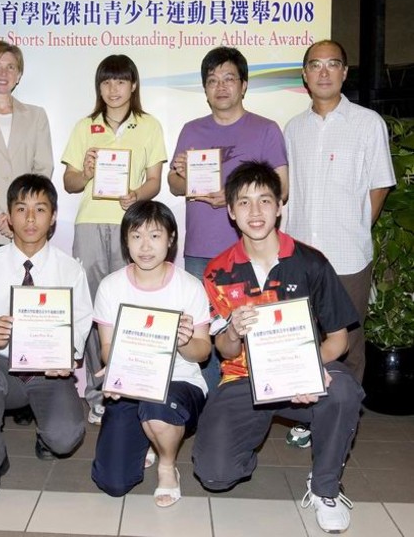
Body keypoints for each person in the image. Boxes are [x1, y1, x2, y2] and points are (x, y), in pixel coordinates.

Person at [192, 161, 364, 534]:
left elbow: (339, 340)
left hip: (302, 374)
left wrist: (306, 368)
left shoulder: (311, 262)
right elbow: (222, 349)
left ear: (280, 206)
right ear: (232, 213)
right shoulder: (218, 271)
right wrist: (234, 330)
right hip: (242, 380)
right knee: (214, 474)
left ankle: (325, 488)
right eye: (245, 203)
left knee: (345, 390)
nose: (255, 212)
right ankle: (250, 434)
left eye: (265, 201)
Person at [0, 174, 93, 497]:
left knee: (64, 438)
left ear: (54, 216)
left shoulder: (70, 270)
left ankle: (46, 430)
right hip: (4, 369)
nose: (30, 219)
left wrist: (68, 357)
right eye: (21, 209)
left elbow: (81, 324)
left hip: (51, 374)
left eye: (40, 209)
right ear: (8, 214)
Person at [167, 46, 288, 389]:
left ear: (244, 85)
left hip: (253, 252)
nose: (221, 87)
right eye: (212, 80)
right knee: (205, 329)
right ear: (205, 89)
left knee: (253, 326)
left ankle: (258, 395)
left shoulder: (266, 129)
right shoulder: (192, 130)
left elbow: (282, 186)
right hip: (200, 251)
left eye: (229, 78)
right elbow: (175, 185)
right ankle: (208, 402)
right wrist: (184, 175)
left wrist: (234, 197)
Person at [61, 54, 167, 425]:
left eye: (121, 81)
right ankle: (96, 392)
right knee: (93, 311)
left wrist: (137, 194)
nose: (114, 89)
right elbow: (69, 183)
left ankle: (133, 384)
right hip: (89, 224)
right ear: (99, 87)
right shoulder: (85, 126)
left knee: (130, 307)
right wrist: (87, 172)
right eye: (107, 82)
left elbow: (154, 180)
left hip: (131, 227)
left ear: (133, 85)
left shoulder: (149, 126)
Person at [285, 39, 395, 386]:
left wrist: (357, 227)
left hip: (348, 256)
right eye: (315, 65)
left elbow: (380, 186)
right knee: (304, 337)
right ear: (305, 75)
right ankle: (306, 414)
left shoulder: (367, 123)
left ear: (344, 73)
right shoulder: (292, 128)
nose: (324, 72)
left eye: (333, 64)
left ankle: (342, 418)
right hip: (301, 255)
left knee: (349, 345)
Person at [91, 200, 210, 507]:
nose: (145, 246)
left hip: (179, 384)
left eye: (155, 236)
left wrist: (184, 341)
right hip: (131, 385)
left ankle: (167, 464)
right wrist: (116, 368)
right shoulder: (110, 287)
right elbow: (106, 348)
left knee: (158, 412)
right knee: (112, 482)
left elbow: (203, 352)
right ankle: (149, 436)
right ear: (125, 241)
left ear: (171, 240)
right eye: (136, 236)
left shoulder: (190, 287)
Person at [0, 41, 54, 426]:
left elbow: (43, 168)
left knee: (32, 304)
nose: (3, 72)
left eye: (10, 66)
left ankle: (29, 392)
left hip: (27, 222)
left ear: (19, 74)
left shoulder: (35, 115)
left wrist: (22, 211)